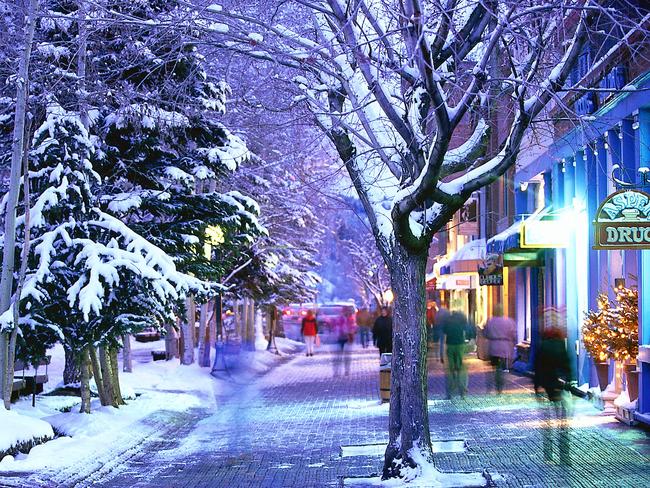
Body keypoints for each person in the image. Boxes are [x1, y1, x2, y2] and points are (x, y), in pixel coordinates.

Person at [534, 326, 572, 466]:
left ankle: (548, 455)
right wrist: (568, 380)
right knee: (562, 423)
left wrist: (537, 387)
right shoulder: (561, 345)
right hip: (559, 387)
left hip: (546, 386)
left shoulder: (542, 347)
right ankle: (565, 457)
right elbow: (567, 365)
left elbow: (537, 368)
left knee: (547, 424)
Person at [484, 308, 516, 393]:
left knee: (494, 366)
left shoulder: (490, 321)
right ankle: (500, 385)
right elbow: (513, 334)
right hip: (504, 346)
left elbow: (486, 334)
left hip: (494, 346)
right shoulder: (509, 321)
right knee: (502, 367)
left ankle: (491, 385)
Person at [440, 310, 469, 399]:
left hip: (450, 345)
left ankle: (450, 393)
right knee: (461, 369)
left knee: (450, 370)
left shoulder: (448, 321)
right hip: (460, 345)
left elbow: (444, 336)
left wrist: (441, 352)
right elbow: (467, 332)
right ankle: (462, 392)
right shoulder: (462, 321)